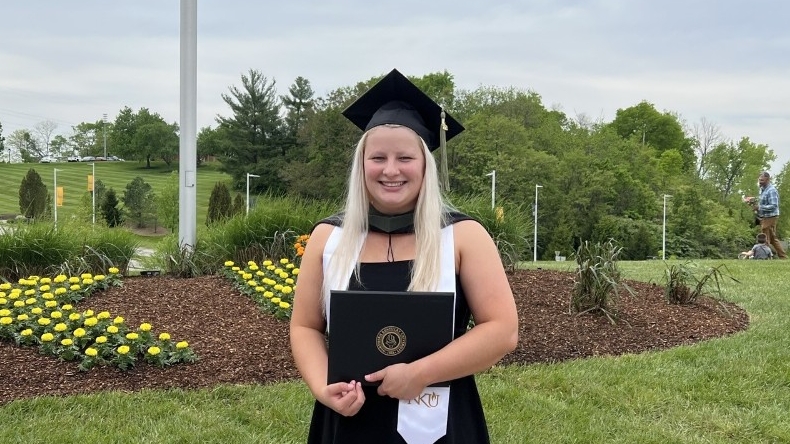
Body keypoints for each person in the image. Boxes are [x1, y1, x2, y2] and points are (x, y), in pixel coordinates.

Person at [289, 69, 519, 444]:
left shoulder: (462, 236)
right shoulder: (329, 238)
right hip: (348, 421)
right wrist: (322, 387)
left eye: (405, 157)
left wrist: (420, 373)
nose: (391, 169)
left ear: (425, 164)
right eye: (378, 157)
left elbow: (502, 330)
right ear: (361, 165)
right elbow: (305, 327)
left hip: (439, 420)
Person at [755, 172, 787, 259]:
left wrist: (760, 207)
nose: (760, 181)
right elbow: (763, 203)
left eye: (762, 180)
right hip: (764, 216)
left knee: (764, 236)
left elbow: (774, 205)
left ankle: (765, 257)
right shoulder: (762, 189)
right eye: (759, 180)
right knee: (773, 238)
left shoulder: (771, 190)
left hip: (771, 216)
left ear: (767, 180)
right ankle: (783, 257)